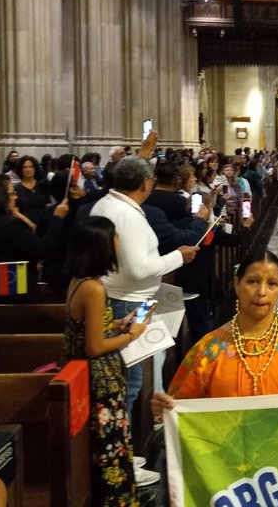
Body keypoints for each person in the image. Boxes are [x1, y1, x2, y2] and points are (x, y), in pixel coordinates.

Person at [150, 251, 278, 406]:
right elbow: (183, 410)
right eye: (252, 281)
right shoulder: (209, 350)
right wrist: (165, 409)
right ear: (237, 284)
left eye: (272, 284)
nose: (262, 292)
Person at [90, 154, 199, 411]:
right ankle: (125, 443)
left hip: (127, 298)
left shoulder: (106, 204)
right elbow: (139, 269)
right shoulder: (126, 215)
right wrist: (178, 257)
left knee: (150, 361)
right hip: (128, 303)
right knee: (134, 378)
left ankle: (150, 417)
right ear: (146, 184)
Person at [61, 216, 148, 506]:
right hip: (101, 383)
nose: (118, 243)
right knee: (111, 452)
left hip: (94, 377)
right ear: (100, 246)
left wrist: (118, 324)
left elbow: (91, 327)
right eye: (114, 238)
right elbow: (94, 346)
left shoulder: (81, 281)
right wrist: (132, 334)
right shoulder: (93, 288)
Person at [0, 174, 69, 303]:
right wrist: (57, 218)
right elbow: (43, 249)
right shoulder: (10, 225)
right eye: (12, 193)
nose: (16, 197)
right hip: (12, 290)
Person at [13, 155, 53, 227]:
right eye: (25, 167)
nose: (28, 169)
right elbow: (15, 212)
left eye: (31, 167)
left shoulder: (42, 186)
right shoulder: (16, 188)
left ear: (35, 168)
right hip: (24, 227)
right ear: (20, 169)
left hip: (43, 226)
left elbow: (48, 206)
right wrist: (31, 225)